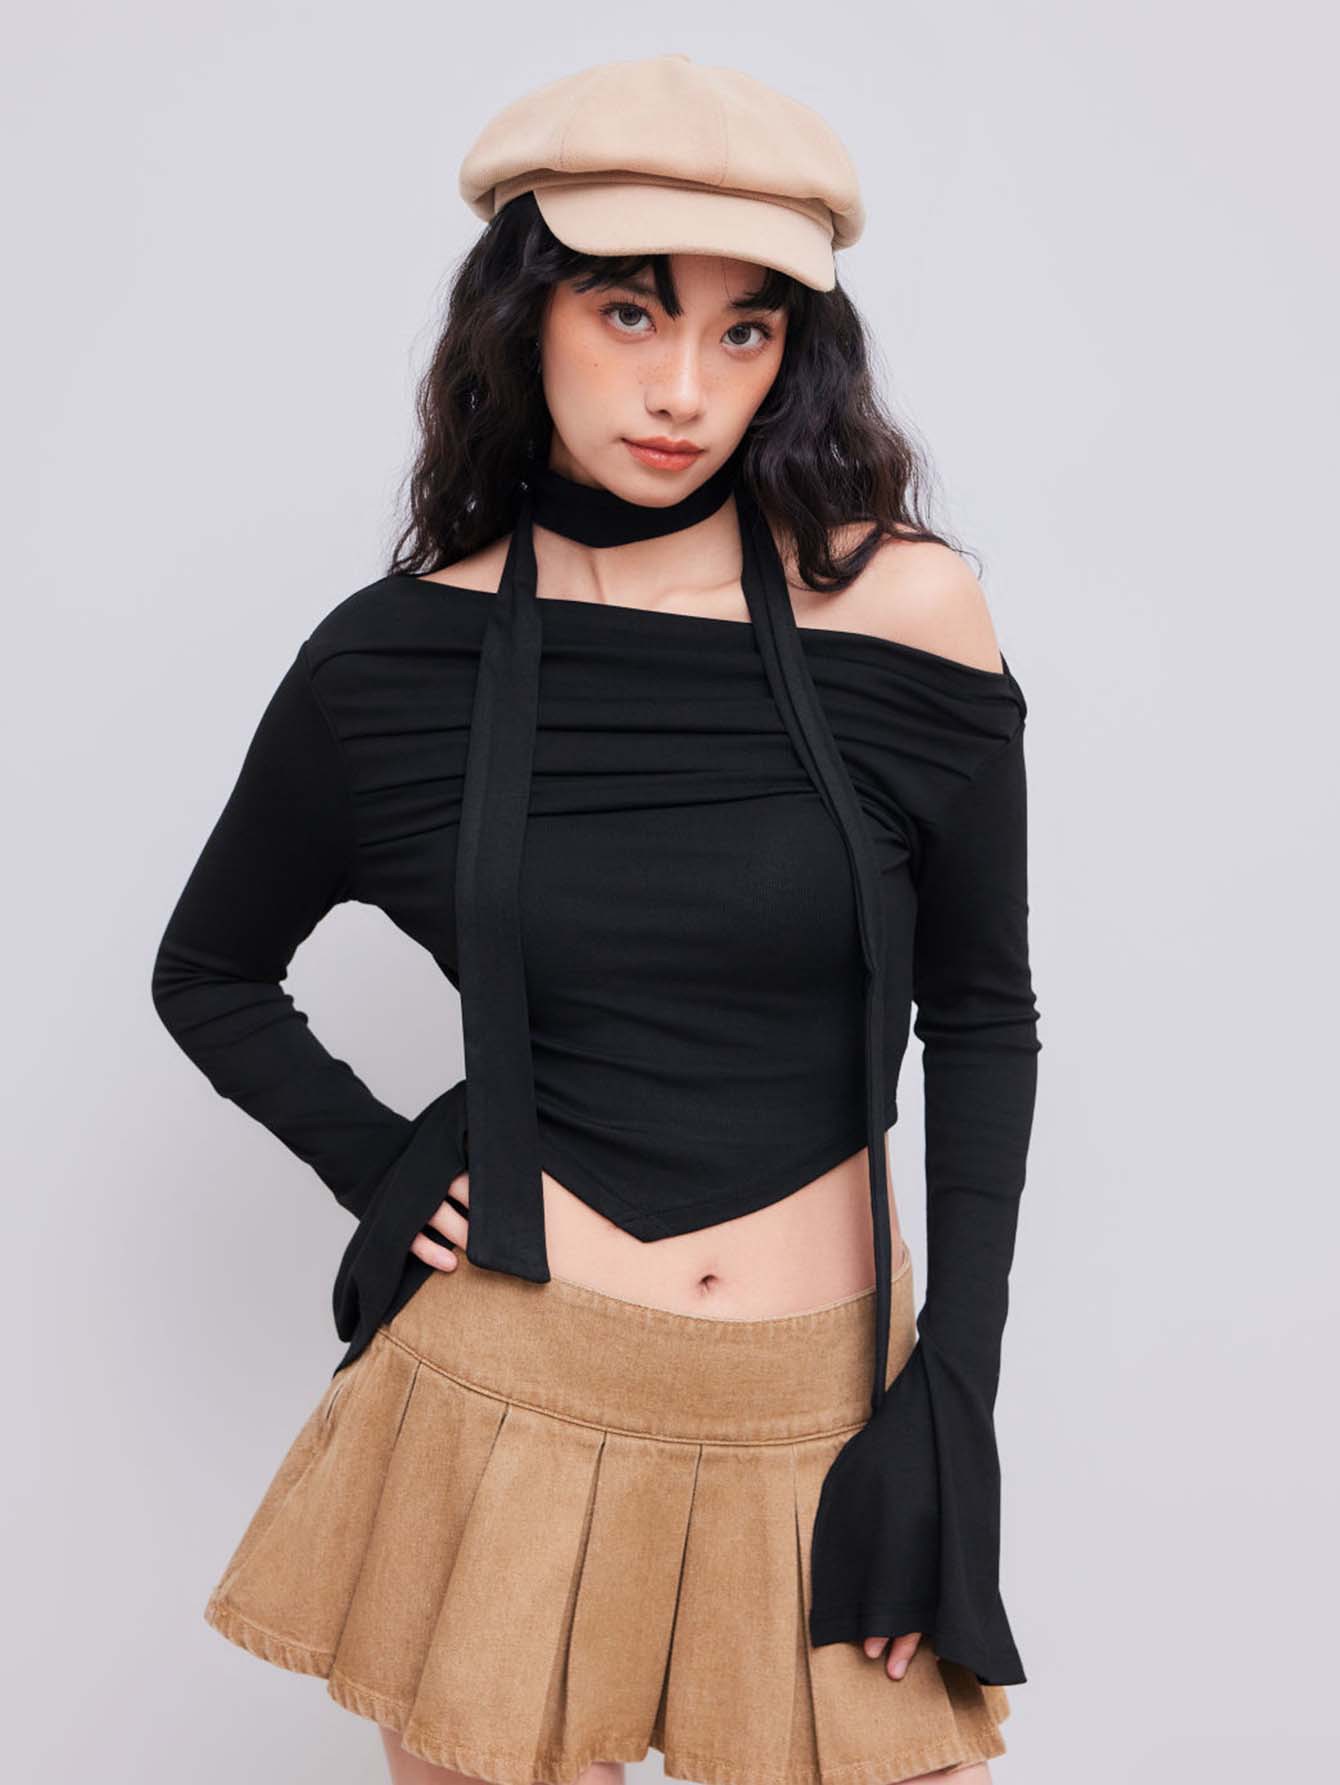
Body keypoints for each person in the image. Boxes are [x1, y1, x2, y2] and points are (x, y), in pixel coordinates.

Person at [151, 52, 1042, 1785]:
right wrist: (382, 1161)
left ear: (796, 353)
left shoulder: (906, 613)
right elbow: (210, 971)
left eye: (743, 330)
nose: (683, 389)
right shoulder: (394, 659)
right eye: (631, 311)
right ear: (526, 311)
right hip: (508, 1390)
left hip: (822, 1400)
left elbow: (985, 1013)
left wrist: (953, 1401)